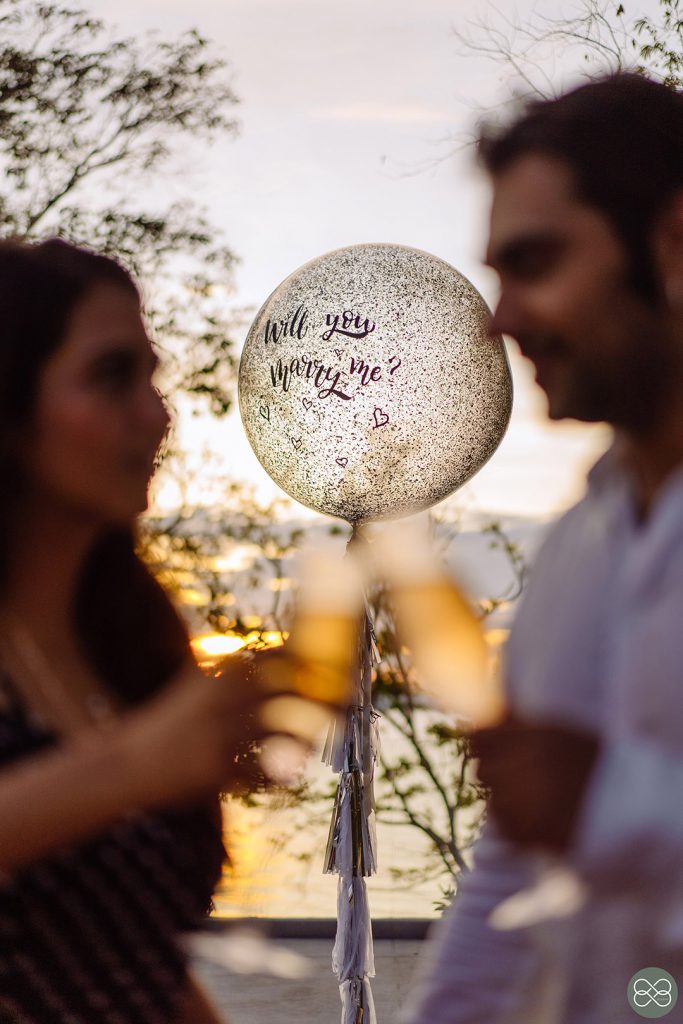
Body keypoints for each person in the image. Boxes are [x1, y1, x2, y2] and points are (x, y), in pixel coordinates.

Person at [402, 73, 683, 1023]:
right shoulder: (583, 541)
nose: (499, 316)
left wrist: (607, 807)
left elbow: (571, 811)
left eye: (535, 263)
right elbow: (510, 869)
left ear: (675, 243)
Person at [0, 237, 278, 1023]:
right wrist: (138, 764)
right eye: (111, 374)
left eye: (152, 377)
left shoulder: (124, 650)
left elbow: (134, 953)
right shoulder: (137, 738)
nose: (158, 414)